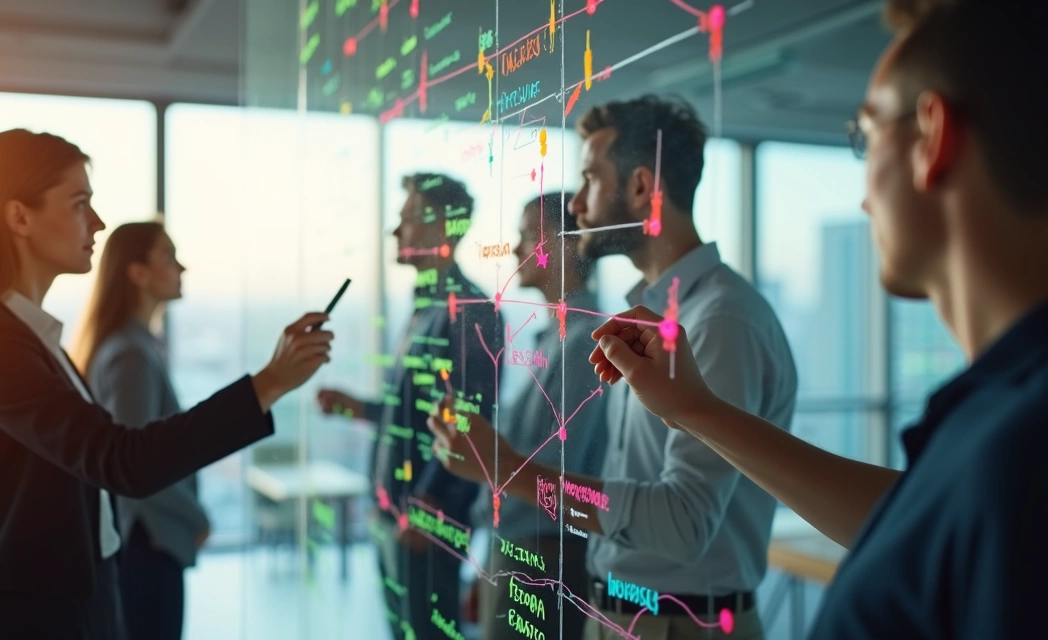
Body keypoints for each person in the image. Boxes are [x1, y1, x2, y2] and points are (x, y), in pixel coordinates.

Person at [584, 2, 1048, 638]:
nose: (860, 194)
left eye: (864, 135)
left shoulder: (1017, 442)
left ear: (933, 137)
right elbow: (909, 517)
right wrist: (693, 409)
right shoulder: (996, 422)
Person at [0, 129, 333, 640]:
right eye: (80, 203)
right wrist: (268, 383)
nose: (98, 223)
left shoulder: (33, 339)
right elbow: (123, 459)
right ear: (19, 217)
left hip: (81, 609)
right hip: (34, 624)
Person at [429, 96, 797, 640]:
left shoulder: (718, 322)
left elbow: (683, 524)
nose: (576, 204)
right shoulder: (656, 316)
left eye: (590, 179)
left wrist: (507, 468)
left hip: (678, 624)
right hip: (623, 614)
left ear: (642, 188)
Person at [316, 173, 501, 640]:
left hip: (425, 519)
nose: (396, 232)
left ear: (443, 229)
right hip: (398, 514)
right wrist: (360, 409)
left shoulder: (470, 309)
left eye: (409, 219)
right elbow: (420, 416)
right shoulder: (426, 307)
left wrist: (431, 504)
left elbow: (468, 418)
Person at [466, 192, 607, 640]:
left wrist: (483, 453)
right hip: (521, 552)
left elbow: (557, 481)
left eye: (529, 235)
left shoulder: (582, 345)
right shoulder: (555, 340)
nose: (515, 248)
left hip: (543, 558)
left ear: (565, 245)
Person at [69, 221, 203, 640]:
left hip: (141, 542)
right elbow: (138, 463)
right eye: (168, 256)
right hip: (147, 543)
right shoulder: (131, 354)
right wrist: (196, 518)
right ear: (137, 272)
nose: (181, 267)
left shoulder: (130, 345)